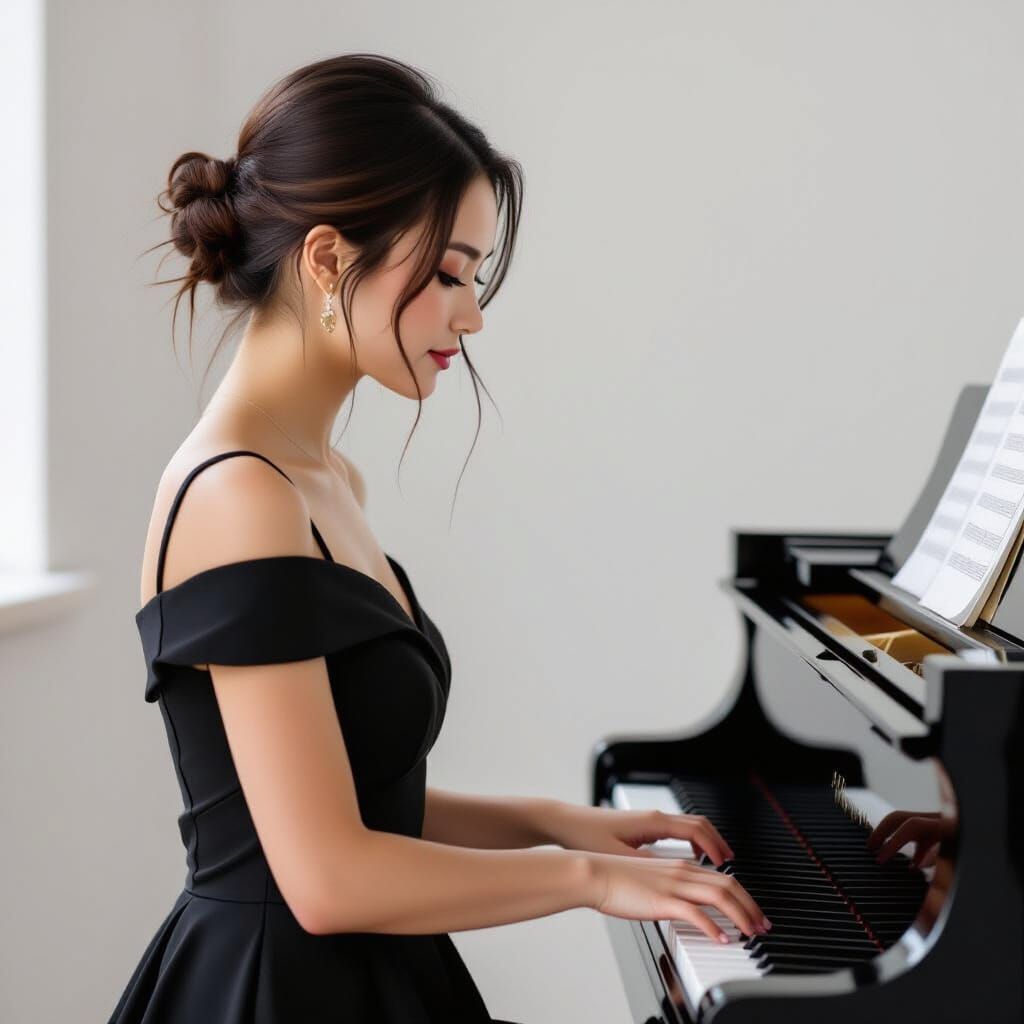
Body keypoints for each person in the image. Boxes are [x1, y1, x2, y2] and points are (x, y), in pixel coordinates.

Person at [107, 52, 768, 1024]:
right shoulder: (236, 494)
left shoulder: (324, 479)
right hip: (276, 990)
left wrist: (554, 823)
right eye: (451, 273)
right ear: (327, 260)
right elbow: (325, 877)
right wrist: (587, 879)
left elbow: (360, 798)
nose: (472, 315)